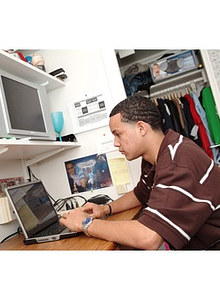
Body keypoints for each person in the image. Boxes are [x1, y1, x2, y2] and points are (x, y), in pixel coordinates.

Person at [60, 96, 220, 250]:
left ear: (141, 128)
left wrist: (85, 223)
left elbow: (149, 237)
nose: (115, 143)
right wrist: (105, 209)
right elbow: (140, 193)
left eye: (118, 134)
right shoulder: (158, 154)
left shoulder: (176, 162)